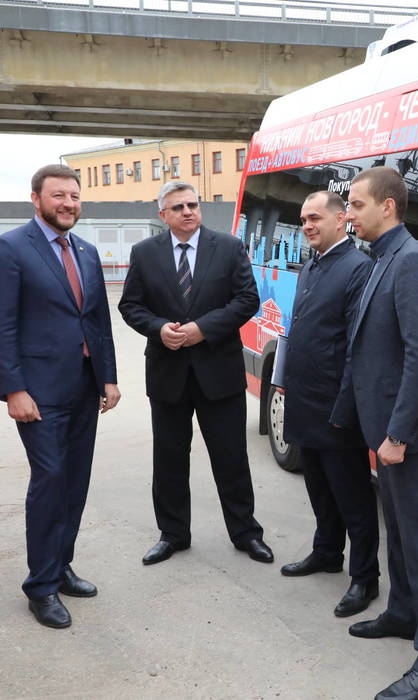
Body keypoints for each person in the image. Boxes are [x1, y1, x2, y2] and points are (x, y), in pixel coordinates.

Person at [331, 167, 418, 700]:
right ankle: (404, 614)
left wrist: (399, 434)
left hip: (409, 436)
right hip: (383, 428)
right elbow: (367, 347)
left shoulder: (411, 263)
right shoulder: (381, 259)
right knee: (400, 534)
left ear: (388, 206)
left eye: (357, 205)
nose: (349, 214)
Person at [118, 182, 272, 566]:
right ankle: (172, 534)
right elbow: (130, 305)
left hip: (218, 372)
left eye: (193, 204)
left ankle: (246, 533)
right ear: (163, 215)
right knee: (169, 458)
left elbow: (247, 299)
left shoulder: (229, 247)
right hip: (168, 373)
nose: (188, 212)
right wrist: (158, 329)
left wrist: (203, 328)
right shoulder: (144, 253)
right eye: (178, 207)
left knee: (231, 457)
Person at [0, 164, 121, 629]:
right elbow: (4, 324)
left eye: (74, 196)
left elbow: (97, 320)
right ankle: (41, 586)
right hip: (38, 393)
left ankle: (62, 564)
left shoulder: (86, 251)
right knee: (50, 481)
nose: (68, 203)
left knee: (75, 480)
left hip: (83, 387)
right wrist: (13, 388)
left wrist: (107, 378)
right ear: (36, 199)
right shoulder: (12, 248)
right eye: (58, 196)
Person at [277, 191, 380, 617]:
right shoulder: (313, 265)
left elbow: (358, 347)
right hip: (304, 398)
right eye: (303, 219)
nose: (307, 225)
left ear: (342, 220)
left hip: (337, 406)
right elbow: (299, 330)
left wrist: (346, 408)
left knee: (352, 494)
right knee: (317, 485)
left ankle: (365, 577)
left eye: (315, 218)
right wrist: (282, 382)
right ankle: (326, 551)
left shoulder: (357, 269)